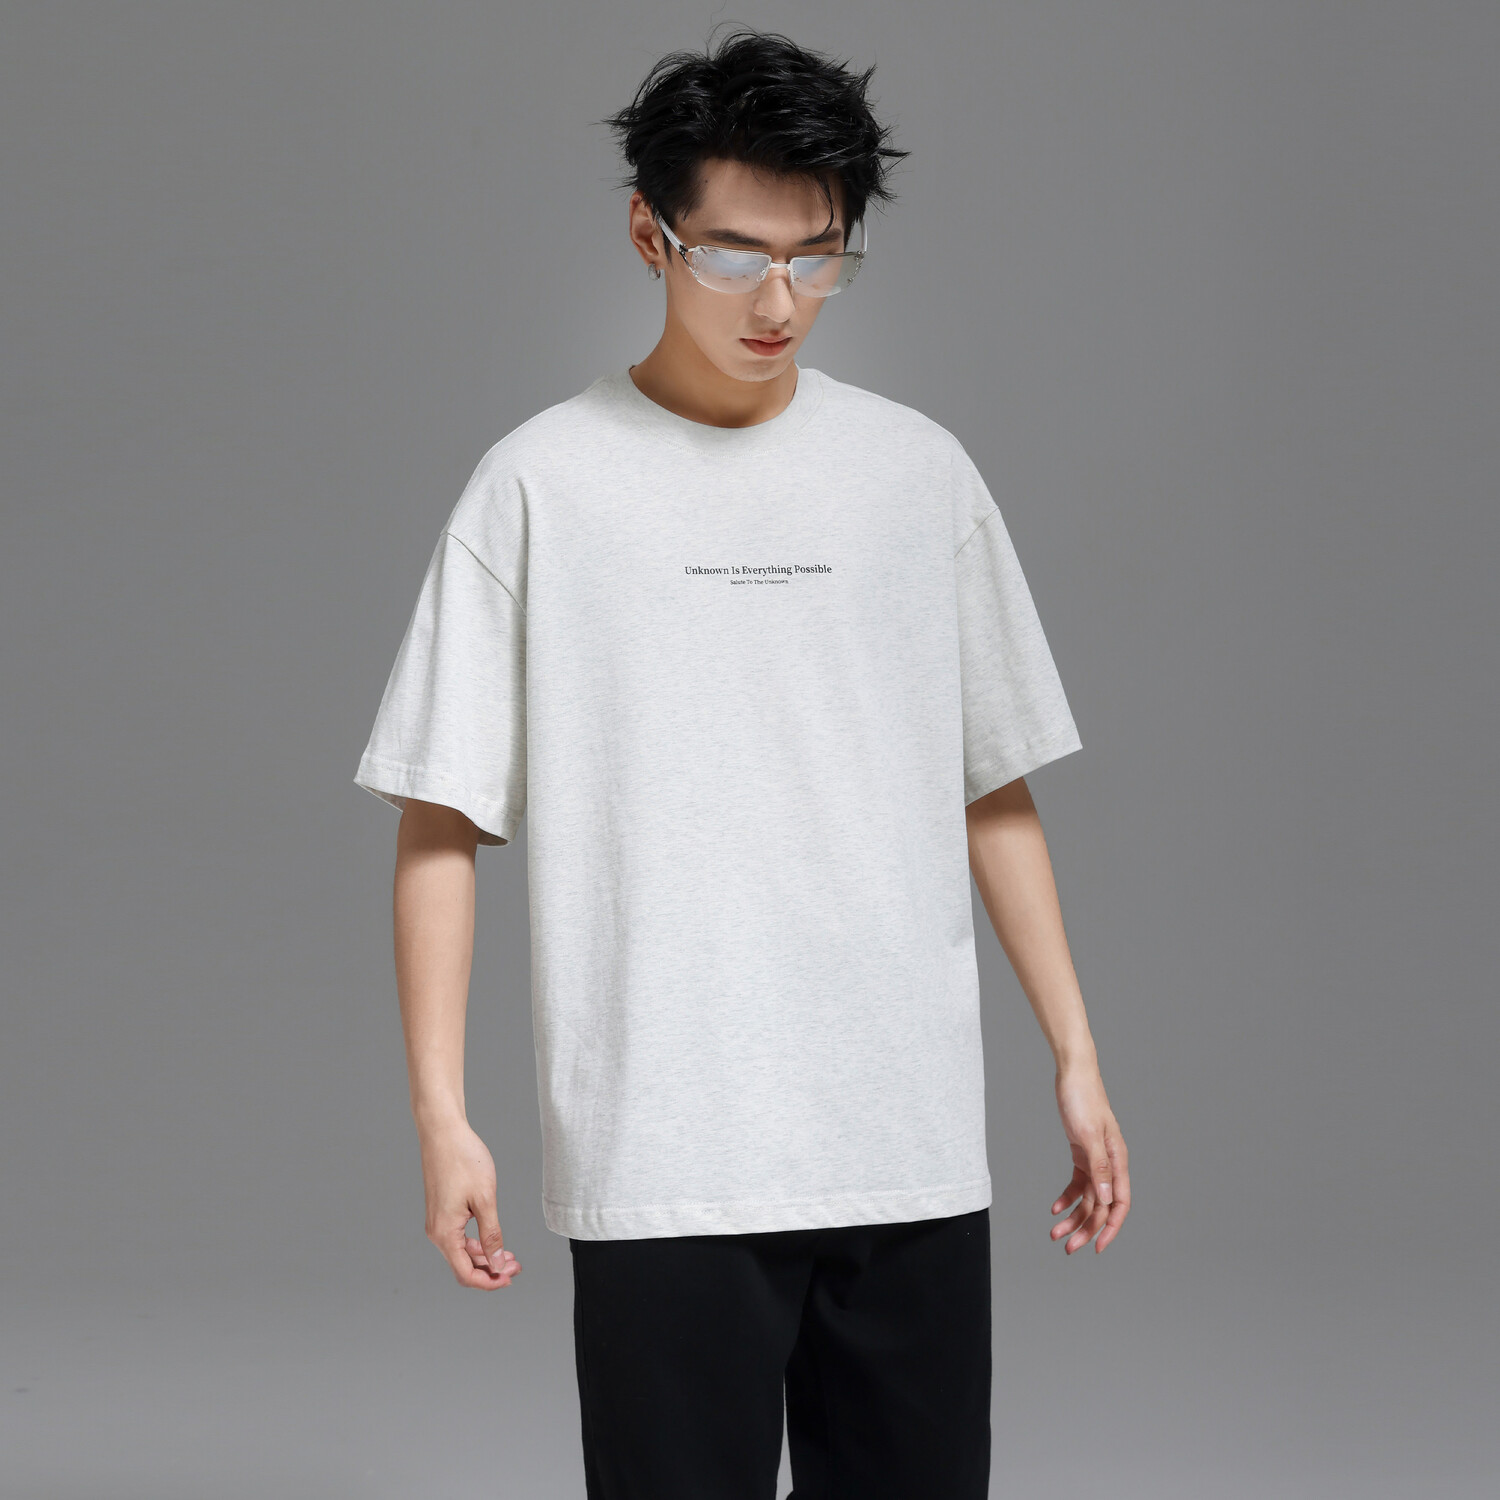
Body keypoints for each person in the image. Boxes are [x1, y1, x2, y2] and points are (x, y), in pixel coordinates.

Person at [353, 24, 1130, 1499]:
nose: (778, 302)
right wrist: (441, 1119)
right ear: (648, 234)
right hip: (662, 1155)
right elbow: (440, 821)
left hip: (904, 1143)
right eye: (732, 256)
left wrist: (1076, 1059)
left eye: (817, 258)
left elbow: (992, 785)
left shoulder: (917, 477)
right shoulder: (539, 487)